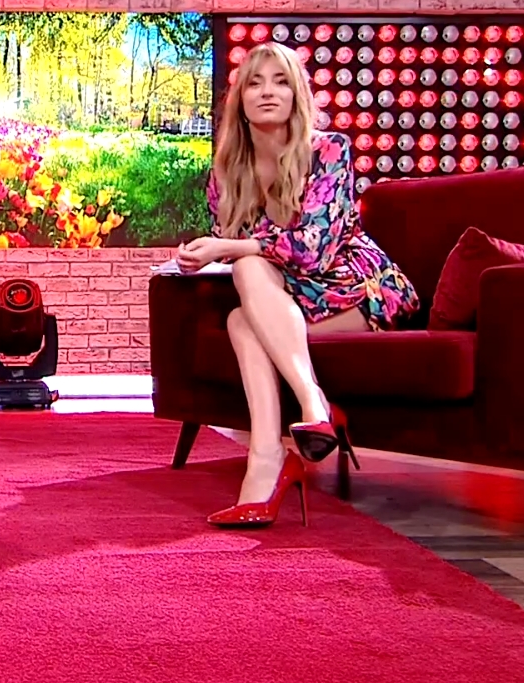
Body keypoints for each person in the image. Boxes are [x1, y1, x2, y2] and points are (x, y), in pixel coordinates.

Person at [175, 42, 419, 529]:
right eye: (255, 83)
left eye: (281, 81)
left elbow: (313, 250)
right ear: (240, 100)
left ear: (297, 96)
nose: (268, 92)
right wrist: (202, 256)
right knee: (242, 309)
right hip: (288, 298)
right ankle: (278, 444)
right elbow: (240, 247)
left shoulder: (329, 150)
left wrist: (227, 248)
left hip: (357, 287)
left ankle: (297, 421)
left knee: (245, 289)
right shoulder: (225, 172)